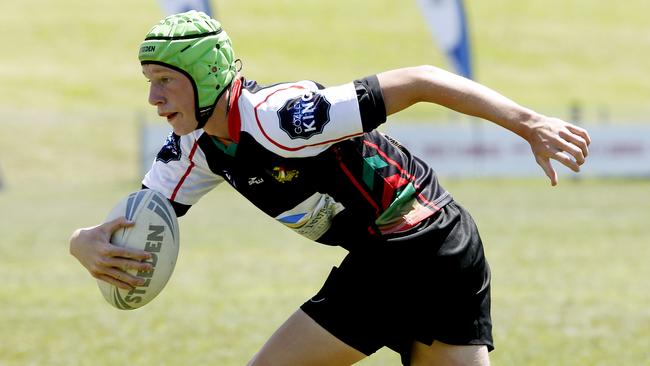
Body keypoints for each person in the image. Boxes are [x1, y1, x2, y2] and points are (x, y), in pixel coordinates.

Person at [69, 10, 591, 366]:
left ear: (206, 78)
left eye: (164, 80)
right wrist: (83, 241)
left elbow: (423, 79)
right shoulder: (194, 148)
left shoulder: (285, 117)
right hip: (386, 258)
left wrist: (529, 123)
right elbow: (139, 218)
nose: (154, 98)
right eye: (148, 81)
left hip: (431, 245)